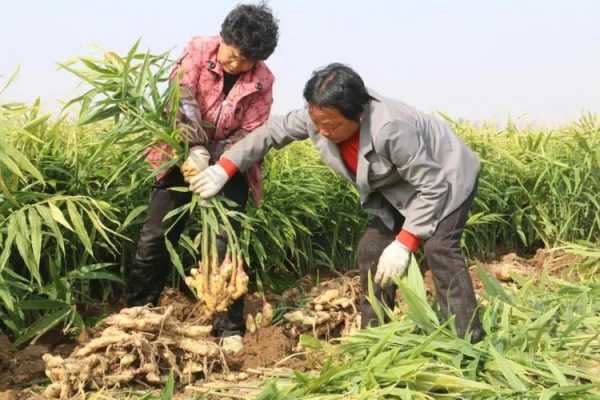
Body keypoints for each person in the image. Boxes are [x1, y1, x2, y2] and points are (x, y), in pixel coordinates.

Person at [193, 63, 484, 342]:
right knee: (371, 250)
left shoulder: (390, 127)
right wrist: (225, 167)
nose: (321, 131)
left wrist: (406, 242)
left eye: (330, 125)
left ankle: (466, 339)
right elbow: (271, 133)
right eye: (316, 122)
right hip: (396, 188)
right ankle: (376, 338)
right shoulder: (319, 117)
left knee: (440, 248)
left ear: (357, 116)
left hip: (444, 177)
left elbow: (432, 186)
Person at [127, 3, 279, 342]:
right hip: (180, 154)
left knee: (225, 240)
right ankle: (137, 314)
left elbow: (253, 133)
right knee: (156, 234)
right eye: (232, 53)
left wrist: (220, 167)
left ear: (258, 61)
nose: (234, 63)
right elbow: (180, 99)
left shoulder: (263, 82)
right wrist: (195, 148)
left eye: (245, 61)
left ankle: (229, 327)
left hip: (231, 166)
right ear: (222, 37)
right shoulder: (197, 51)